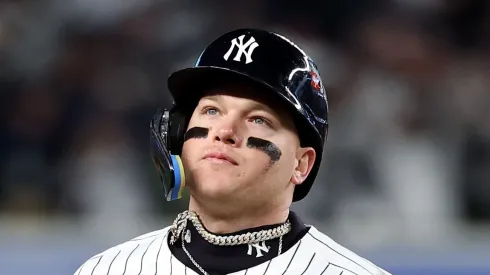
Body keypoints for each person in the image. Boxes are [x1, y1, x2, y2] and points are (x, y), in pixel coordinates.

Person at [74, 28, 392, 275]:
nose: (225, 132)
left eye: (258, 119)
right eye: (211, 111)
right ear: (177, 135)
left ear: (302, 164)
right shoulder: (109, 269)